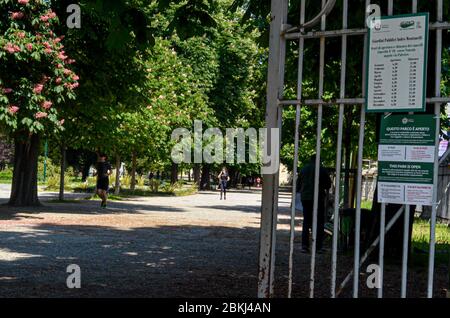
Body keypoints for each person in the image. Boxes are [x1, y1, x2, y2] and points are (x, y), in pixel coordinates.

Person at [297, 154, 331, 253]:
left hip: (306, 198)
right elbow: (328, 185)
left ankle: (305, 246)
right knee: (319, 222)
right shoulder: (322, 169)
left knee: (306, 221)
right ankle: (318, 247)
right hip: (318, 198)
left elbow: (298, 185)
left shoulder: (304, 169)